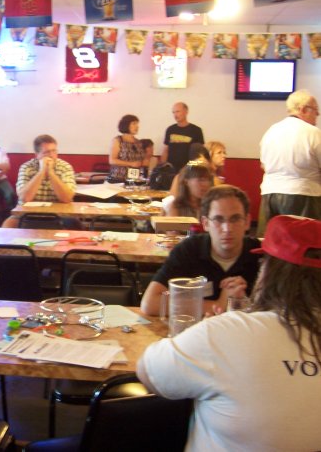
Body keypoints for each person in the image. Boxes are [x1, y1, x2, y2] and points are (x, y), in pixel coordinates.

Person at [137, 215, 321, 451]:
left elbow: (148, 373)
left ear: (269, 270)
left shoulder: (224, 333)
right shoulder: (224, 332)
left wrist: (202, 337)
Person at [141, 184, 261, 316]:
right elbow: (149, 303)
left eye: (235, 219)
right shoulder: (189, 250)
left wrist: (243, 303)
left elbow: (276, 309)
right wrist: (219, 305)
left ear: (247, 222)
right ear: (205, 223)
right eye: (218, 219)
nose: (227, 228)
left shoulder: (260, 254)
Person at [258, 89, 321, 236]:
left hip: (270, 194)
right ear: (303, 109)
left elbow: (263, 165)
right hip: (303, 194)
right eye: (315, 110)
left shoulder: (271, 131)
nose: (317, 114)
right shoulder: (313, 133)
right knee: (303, 242)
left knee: (271, 241)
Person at [2, 134, 76, 228]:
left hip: (59, 216)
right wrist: (41, 172)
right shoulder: (26, 167)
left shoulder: (65, 167)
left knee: (75, 225)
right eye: (46, 152)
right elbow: (24, 198)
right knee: (7, 226)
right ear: (37, 155)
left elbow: (67, 198)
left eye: (54, 151)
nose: (51, 155)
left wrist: (51, 173)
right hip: (27, 215)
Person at [160, 102, 205, 172]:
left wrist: (192, 168)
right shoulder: (170, 129)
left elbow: (200, 154)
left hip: (189, 171)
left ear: (186, 112)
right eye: (173, 112)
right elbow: (166, 150)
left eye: (178, 111)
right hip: (171, 170)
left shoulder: (196, 130)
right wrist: (163, 166)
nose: (175, 115)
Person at [108, 114, 146, 183]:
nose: (137, 126)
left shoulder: (138, 142)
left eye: (137, 124)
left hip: (134, 179)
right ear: (126, 125)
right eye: (134, 124)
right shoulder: (118, 140)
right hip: (118, 178)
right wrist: (130, 164)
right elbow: (112, 160)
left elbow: (142, 160)